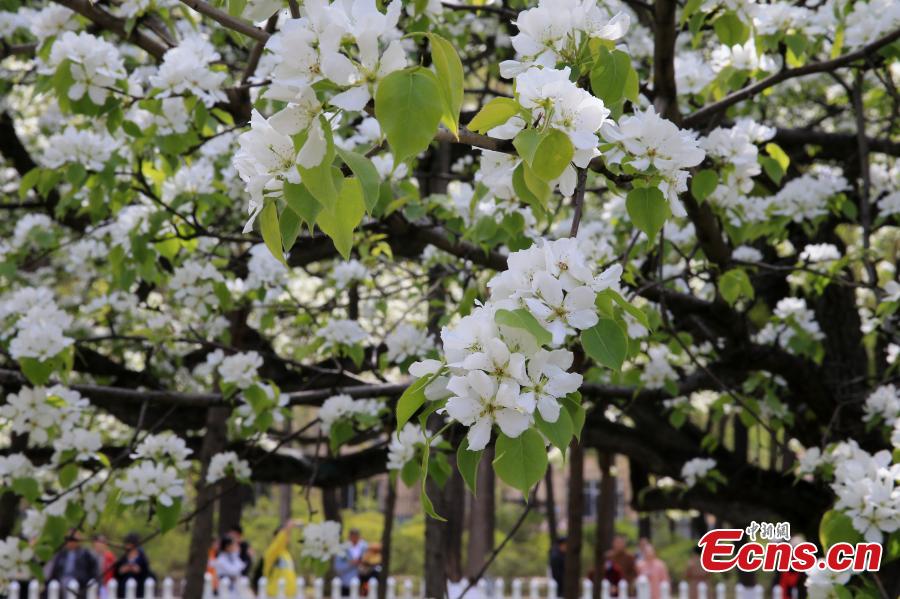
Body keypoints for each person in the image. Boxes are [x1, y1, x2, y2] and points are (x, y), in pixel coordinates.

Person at [46, 530, 99, 598]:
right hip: (61, 584)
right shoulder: (61, 555)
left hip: (80, 585)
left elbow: (94, 573)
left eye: (74, 539)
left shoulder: (86, 554)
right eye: (69, 539)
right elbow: (54, 573)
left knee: (71, 584)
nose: (71, 542)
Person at [262, 520, 298, 598]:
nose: (287, 537)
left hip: (289, 594)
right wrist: (287, 528)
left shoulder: (286, 554)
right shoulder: (271, 552)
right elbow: (278, 542)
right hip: (275, 594)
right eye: (285, 535)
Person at [112, 533, 153, 598]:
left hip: (138, 592)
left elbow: (148, 575)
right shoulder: (122, 559)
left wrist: (139, 571)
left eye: (130, 545)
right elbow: (115, 576)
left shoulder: (142, 560)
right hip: (123, 593)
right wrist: (121, 570)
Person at [334, 528, 368, 595]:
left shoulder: (365, 547)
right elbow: (337, 566)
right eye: (353, 536)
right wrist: (351, 563)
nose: (354, 539)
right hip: (347, 583)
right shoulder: (343, 549)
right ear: (349, 537)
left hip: (363, 582)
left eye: (356, 536)